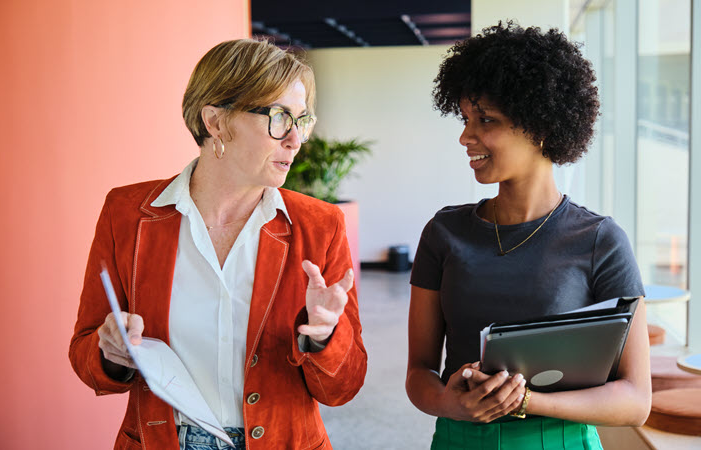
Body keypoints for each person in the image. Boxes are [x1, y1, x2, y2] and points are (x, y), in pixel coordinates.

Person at [69, 39, 367, 450]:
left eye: (302, 120)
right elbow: (86, 353)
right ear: (216, 121)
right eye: (280, 117)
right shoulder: (128, 213)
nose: (295, 139)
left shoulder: (320, 226)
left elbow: (344, 387)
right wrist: (111, 352)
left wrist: (324, 336)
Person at [406, 22, 651, 450]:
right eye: (465, 119)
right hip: (460, 439)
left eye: (485, 120)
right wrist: (451, 403)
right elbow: (418, 373)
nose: (465, 136)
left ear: (540, 125)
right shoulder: (444, 233)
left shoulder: (600, 240)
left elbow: (634, 400)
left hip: (559, 441)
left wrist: (526, 400)